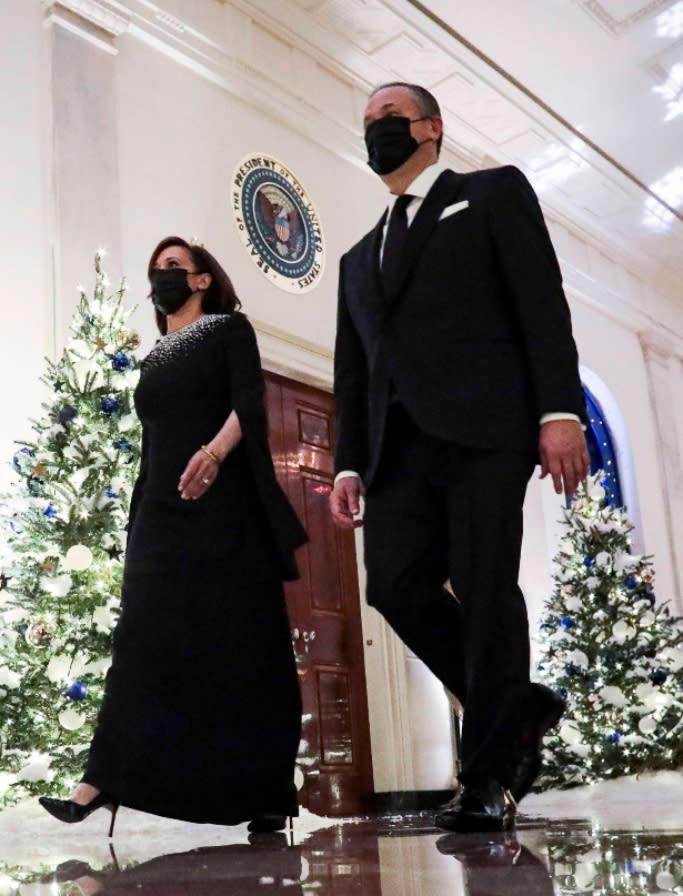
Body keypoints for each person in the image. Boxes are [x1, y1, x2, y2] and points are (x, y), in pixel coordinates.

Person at [330, 83, 589, 833]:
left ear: (431, 128)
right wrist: (349, 462)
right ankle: (520, 708)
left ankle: (486, 777)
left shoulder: (489, 193)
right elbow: (354, 372)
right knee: (395, 587)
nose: (376, 131)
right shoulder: (354, 259)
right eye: (368, 123)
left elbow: (540, 302)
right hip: (395, 447)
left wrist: (559, 410)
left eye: (390, 118)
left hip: (484, 431)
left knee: (483, 588)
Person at [40, 237, 307, 835]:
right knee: (143, 640)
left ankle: (264, 790)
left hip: (224, 508)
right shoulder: (154, 355)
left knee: (242, 643)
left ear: (202, 279)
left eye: (172, 268)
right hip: (159, 511)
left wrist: (213, 455)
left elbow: (249, 403)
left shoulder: (228, 331)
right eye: (155, 270)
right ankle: (101, 778)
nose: (161, 278)